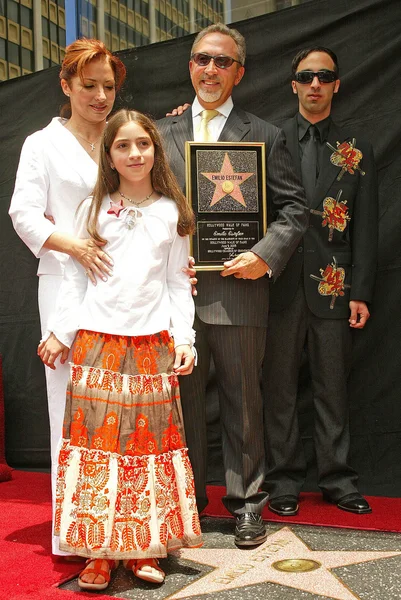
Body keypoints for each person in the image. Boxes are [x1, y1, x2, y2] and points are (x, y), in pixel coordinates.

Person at [37, 109, 202, 590]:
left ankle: (144, 548)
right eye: (122, 146)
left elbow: (176, 282)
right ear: (109, 154)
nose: (134, 154)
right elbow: (73, 278)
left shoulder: (172, 211)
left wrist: (184, 338)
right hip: (97, 345)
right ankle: (98, 555)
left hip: (152, 346)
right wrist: (60, 333)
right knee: (97, 452)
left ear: (156, 149)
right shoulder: (91, 209)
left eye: (143, 144)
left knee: (144, 451)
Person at [157, 23, 308, 547]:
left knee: (244, 401)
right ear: (190, 66)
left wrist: (263, 257)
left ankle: (247, 504)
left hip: (241, 289)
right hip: (172, 298)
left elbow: (293, 209)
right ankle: (189, 501)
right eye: (202, 59)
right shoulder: (160, 133)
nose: (211, 69)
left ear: (240, 73)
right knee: (185, 404)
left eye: (223, 62)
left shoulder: (265, 133)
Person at [9, 38, 126, 556]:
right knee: (72, 409)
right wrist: (73, 246)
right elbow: (24, 214)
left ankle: (126, 528)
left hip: (128, 291)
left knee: (124, 410)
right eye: (89, 86)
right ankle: (76, 532)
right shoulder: (41, 144)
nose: (100, 96)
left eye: (108, 86)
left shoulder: (124, 138)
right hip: (64, 285)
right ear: (66, 85)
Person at [263, 47, 377, 517]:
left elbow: (366, 225)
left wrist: (362, 292)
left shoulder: (357, 146)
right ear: (293, 84)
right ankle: (284, 479)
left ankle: (337, 479)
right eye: (306, 76)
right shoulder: (268, 139)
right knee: (280, 389)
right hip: (278, 287)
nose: (315, 84)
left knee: (333, 387)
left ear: (336, 85)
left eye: (324, 76)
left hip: (333, 286)